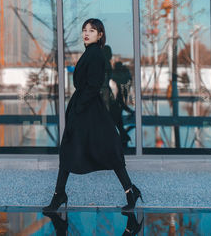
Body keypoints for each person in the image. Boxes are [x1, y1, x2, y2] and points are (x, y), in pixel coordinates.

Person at [43, 18, 143, 212]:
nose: (86, 33)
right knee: (73, 150)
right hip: (84, 106)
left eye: (92, 30)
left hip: (87, 108)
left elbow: (94, 84)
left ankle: (130, 191)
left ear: (100, 35)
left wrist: (78, 107)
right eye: (84, 30)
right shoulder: (91, 52)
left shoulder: (96, 54)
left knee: (103, 149)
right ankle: (59, 194)